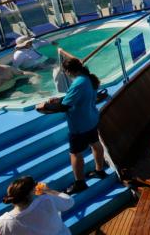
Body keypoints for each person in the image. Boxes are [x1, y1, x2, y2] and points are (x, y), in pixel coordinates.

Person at [36, 54, 108, 194]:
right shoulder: (88, 79)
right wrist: (59, 99)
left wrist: (44, 106)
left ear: (69, 71)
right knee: (95, 144)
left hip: (79, 126)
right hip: (91, 119)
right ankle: (99, 171)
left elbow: (65, 107)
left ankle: (79, 183)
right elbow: (76, 97)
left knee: (75, 154)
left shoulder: (78, 83)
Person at [0, 176, 74, 235]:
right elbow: (69, 201)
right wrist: (48, 190)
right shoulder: (47, 200)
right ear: (31, 192)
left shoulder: (3, 223)